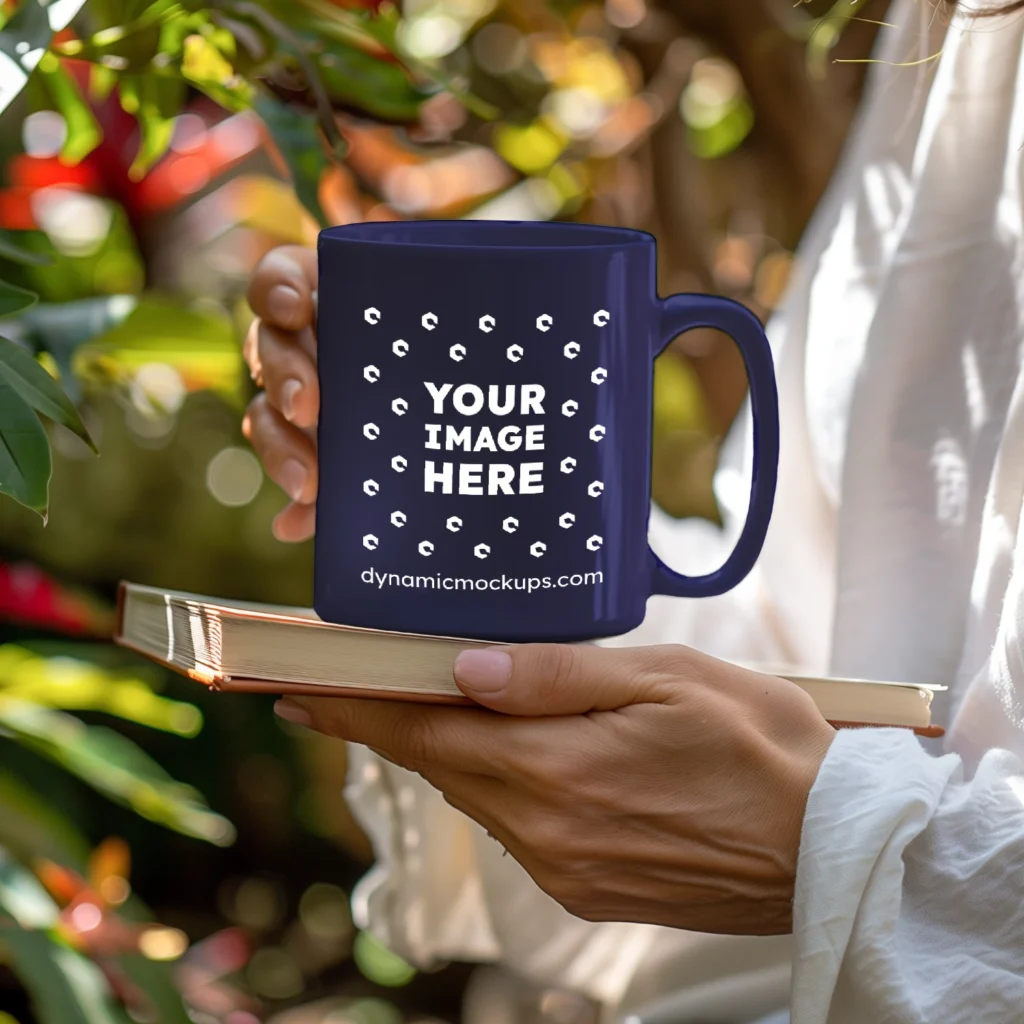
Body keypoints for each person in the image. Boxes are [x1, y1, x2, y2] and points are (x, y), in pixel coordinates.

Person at [241, 1, 1024, 1020]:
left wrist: (841, 848)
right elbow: (830, 646)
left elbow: (861, 786)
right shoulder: (955, 37)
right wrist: (471, 524)